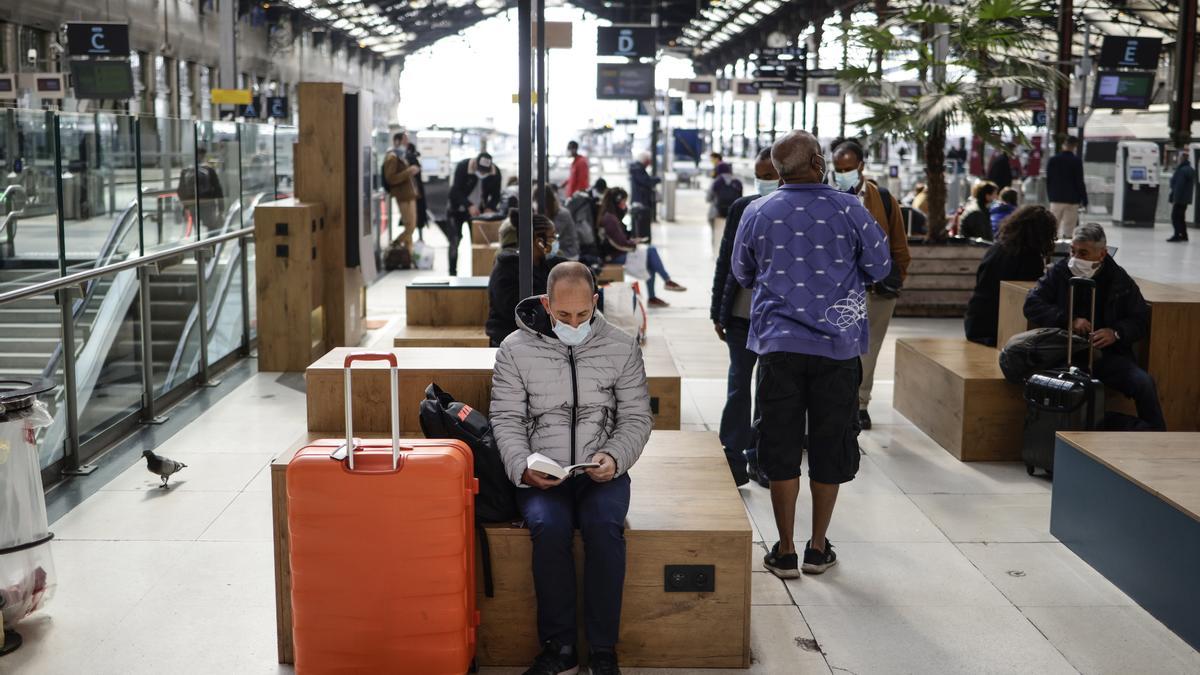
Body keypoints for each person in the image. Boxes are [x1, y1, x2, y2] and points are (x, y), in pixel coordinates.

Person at [732, 131, 891, 579]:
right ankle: (817, 547)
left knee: (779, 443)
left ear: (778, 171)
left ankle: (783, 550)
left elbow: (742, 272)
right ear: (819, 162)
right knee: (830, 441)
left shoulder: (757, 211)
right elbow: (881, 266)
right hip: (837, 347)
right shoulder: (850, 208)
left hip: (779, 346)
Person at [490, 262, 653, 675]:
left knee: (604, 528)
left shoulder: (621, 345)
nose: (574, 323)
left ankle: (602, 650)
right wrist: (523, 466)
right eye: (563, 315)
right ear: (546, 304)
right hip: (541, 473)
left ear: (594, 302)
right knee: (548, 528)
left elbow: (636, 417)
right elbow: (506, 418)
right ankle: (559, 648)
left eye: (582, 314)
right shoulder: (514, 349)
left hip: (602, 471)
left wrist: (614, 456)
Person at [1023, 223, 1165, 430]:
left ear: (1102, 254)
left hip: (1108, 355)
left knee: (1143, 383)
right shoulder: (1060, 272)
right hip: (1065, 354)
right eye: (1073, 250)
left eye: (1083, 252)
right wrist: (1068, 320)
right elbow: (1032, 304)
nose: (1075, 257)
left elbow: (1139, 319)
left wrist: (1116, 333)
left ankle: (1156, 436)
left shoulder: (1119, 279)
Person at [830, 139, 912, 431]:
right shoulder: (826, 197)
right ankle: (834, 403)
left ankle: (860, 403)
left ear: (861, 166)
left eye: (848, 168)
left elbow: (900, 246)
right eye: (838, 169)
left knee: (869, 349)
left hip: (876, 291)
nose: (842, 174)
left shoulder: (884, 199)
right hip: (837, 290)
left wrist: (895, 278)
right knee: (836, 347)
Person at [711, 147, 779, 488]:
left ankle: (759, 458)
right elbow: (726, 262)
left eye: (769, 176)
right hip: (740, 316)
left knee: (768, 391)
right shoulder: (741, 208)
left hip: (775, 320)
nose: (763, 182)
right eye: (759, 175)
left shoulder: (790, 213)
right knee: (739, 386)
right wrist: (716, 311)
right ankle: (733, 455)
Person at [963, 205, 1056, 346]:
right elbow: (1030, 296)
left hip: (976, 321)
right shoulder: (1029, 257)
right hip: (998, 329)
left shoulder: (998, 248)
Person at [597, 187, 685, 308]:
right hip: (614, 256)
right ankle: (666, 281)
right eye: (623, 202)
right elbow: (620, 243)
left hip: (617, 252)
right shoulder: (610, 219)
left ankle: (653, 296)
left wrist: (632, 242)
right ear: (617, 201)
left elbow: (619, 240)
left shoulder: (612, 216)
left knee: (650, 262)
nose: (625, 204)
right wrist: (633, 245)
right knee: (651, 251)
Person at [485, 214, 564, 347]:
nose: (555, 241)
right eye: (552, 237)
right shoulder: (507, 268)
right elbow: (515, 310)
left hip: (537, 341)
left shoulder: (543, 264)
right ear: (539, 241)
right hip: (509, 343)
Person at [446, 152, 502, 275]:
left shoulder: (495, 172)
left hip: (479, 213)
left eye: (484, 172)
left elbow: (496, 195)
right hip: (457, 210)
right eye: (480, 170)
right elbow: (455, 191)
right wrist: (468, 205)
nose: (482, 174)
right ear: (475, 165)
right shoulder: (463, 166)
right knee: (455, 240)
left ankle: (480, 271)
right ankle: (452, 272)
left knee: (480, 242)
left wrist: (489, 207)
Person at [382, 131, 421, 260]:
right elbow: (390, 178)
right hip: (403, 196)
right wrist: (408, 172)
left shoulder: (401, 156)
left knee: (411, 225)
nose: (406, 143)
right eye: (404, 140)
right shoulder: (392, 157)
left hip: (410, 195)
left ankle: (408, 254)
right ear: (397, 141)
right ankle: (395, 244)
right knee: (410, 226)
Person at [1046, 136, 1088, 239]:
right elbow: (1079, 181)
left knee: (1052, 227)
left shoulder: (1053, 160)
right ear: (1075, 146)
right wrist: (1084, 199)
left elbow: (1049, 180)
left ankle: (1051, 248)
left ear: (1063, 145)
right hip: (1072, 199)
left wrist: (1050, 196)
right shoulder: (1076, 161)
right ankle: (1066, 250)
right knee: (1069, 228)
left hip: (1055, 198)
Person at [177, 146, 225, 233]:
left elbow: (180, 190)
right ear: (204, 156)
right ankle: (209, 245)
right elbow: (218, 189)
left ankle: (200, 245)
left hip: (192, 203)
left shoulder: (186, 170)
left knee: (196, 229)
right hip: (207, 203)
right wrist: (221, 208)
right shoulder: (209, 170)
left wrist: (186, 205)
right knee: (211, 228)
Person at [627, 151, 660, 240]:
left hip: (640, 199)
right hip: (640, 200)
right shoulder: (637, 169)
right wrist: (657, 179)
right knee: (641, 224)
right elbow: (646, 181)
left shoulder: (637, 168)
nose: (649, 164)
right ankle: (642, 238)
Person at [542, 185, 580, 261]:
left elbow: (552, 236)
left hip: (567, 254)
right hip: (558, 251)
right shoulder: (552, 213)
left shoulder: (562, 214)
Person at [708, 162, 744, 233]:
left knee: (712, 218)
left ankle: (715, 237)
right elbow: (740, 197)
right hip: (735, 213)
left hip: (717, 213)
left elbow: (708, 198)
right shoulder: (737, 182)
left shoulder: (716, 182)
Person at [1168, 153, 1195, 243]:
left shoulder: (1182, 170)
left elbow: (1179, 186)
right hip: (1186, 198)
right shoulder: (1190, 169)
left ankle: (1177, 235)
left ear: (1182, 159)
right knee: (1181, 217)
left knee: (1175, 217)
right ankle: (1184, 235)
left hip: (1180, 198)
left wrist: (1175, 198)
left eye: (1179, 158)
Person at [406, 141, 429, 239]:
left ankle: (411, 239)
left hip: (413, 193)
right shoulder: (414, 158)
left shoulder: (409, 158)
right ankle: (419, 238)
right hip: (418, 192)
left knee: (413, 217)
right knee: (417, 216)